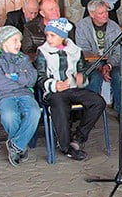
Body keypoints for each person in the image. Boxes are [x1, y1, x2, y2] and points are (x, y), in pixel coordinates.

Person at [36, 17, 106, 161]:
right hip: (54, 91)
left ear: (62, 37)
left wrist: (81, 78)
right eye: (47, 35)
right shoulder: (42, 52)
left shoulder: (75, 51)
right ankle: (66, 146)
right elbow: (40, 77)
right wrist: (55, 84)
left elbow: (83, 72)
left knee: (98, 102)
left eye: (52, 35)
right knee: (60, 106)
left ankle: (78, 137)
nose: (48, 39)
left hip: (73, 89)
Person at [0, 26, 41, 166]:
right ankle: (20, 146)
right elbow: (0, 84)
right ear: (4, 42)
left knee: (34, 112)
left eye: (20, 41)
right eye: (15, 40)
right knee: (10, 115)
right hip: (3, 96)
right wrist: (21, 80)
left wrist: (14, 77)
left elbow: (32, 79)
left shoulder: (23, 58)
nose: (19, 44)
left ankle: (16, 145)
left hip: (25, 94)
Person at [75, 0, 122, 123]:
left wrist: (109, 66)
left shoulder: (114, 27)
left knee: (118, 75)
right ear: (92, 14)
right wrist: (100, 67)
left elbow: (119, 52)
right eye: (101, 13)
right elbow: (83, 51)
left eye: (106, 12)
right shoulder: (82, 27)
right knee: (94, 77)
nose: (105, 15)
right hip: (91, 64)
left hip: (112, 63)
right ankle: (91, 112)